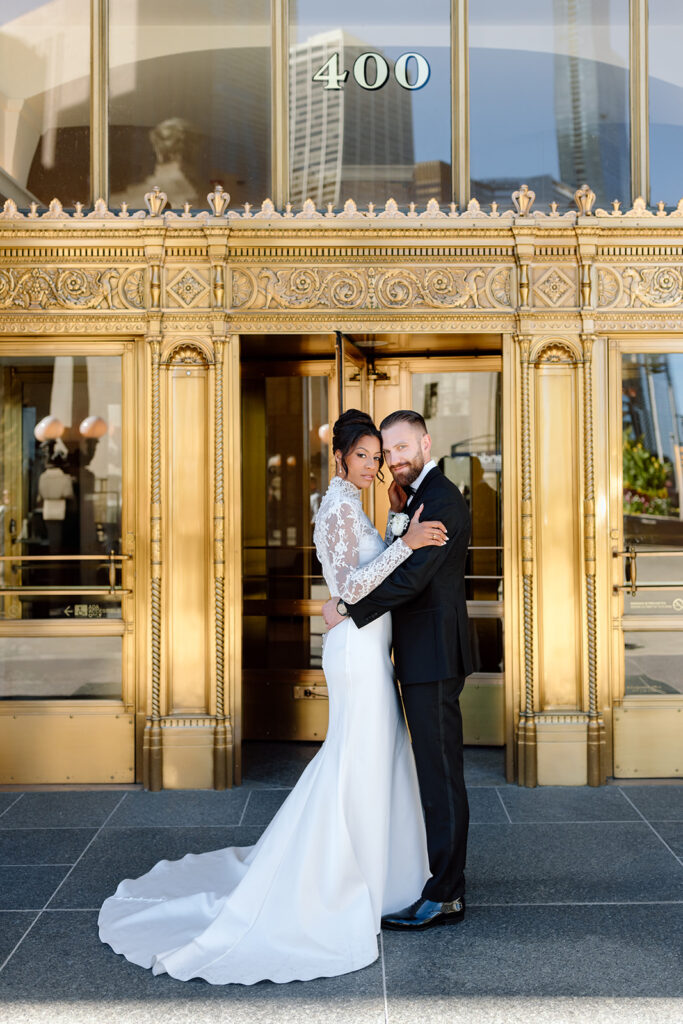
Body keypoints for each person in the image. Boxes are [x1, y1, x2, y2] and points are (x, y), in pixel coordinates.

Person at [98, 409, 447, 985]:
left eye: (377, 457)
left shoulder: (356, 507)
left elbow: (363, 574)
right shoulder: (333, 507)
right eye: (362, 456)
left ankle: (382, 878)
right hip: (354, 656)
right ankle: (336, 882)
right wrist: (405, 544)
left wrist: (390, 536)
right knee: (353, 760)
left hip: (368, 651)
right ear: (339, 458)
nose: (372, 466)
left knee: (375, 759)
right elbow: (350, 585)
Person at [323, 409, 473, 931]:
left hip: (433, 655)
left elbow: (409, 579)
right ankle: (436, 879)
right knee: (430, 773)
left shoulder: (444, 501)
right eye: (386, 452)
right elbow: (393, 556)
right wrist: (398, 522)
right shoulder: (415, 499)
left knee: (440, 775)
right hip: (416, 654)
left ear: (427, 444)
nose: (393, 460)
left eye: (402, 448)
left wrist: (345, 609)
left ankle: (446, 895)